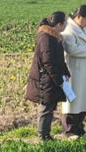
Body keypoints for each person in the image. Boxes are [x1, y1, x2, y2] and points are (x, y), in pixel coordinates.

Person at [25, 12, 71, 142]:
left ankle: (47, 135)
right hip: (45, 79)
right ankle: (42, 136)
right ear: (59, 24)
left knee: (50, 107)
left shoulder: (54, 37)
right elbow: (48, 62)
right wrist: (58, 80)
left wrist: (66, 73)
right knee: (45, 108)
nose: (66, 25)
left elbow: (59, 59)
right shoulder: (46, 38)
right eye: (65, 23)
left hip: (50, 79)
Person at [61, 5, 86, 140]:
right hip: (75, 70)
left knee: (83, 100)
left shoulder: (81, 29)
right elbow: (71, 48)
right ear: (78, 17)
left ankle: (79, 128)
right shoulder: (69, 29)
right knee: (73, 102)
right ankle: (69, 131)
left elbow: (84, 43)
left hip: (85, 70)